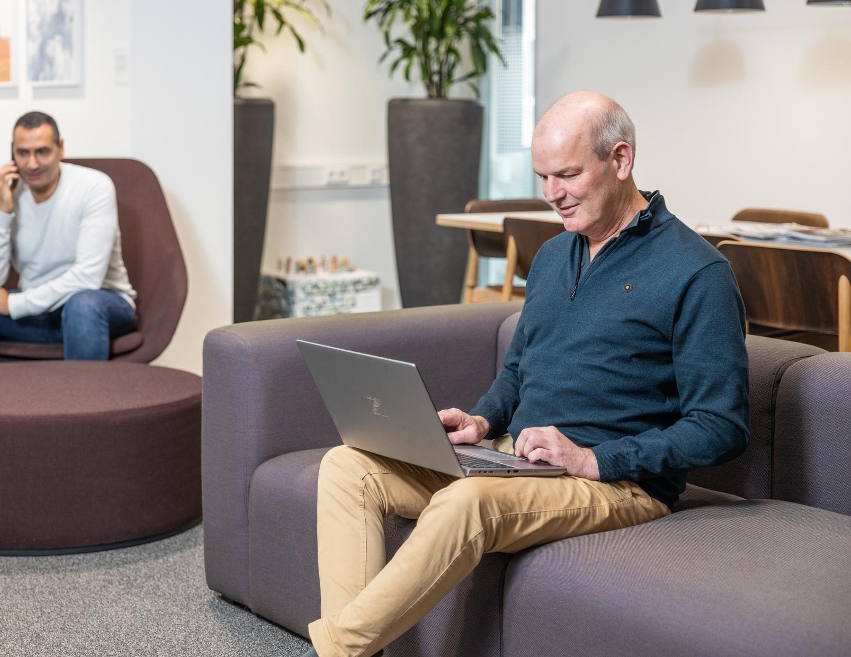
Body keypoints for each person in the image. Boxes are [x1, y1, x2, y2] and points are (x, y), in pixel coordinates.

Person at [301, 91, 750, 657]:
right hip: (516, 459)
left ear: (621, 159)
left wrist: (592, 459)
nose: (552, 194)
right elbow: (519, 368)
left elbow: (721, 426)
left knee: (466, 503)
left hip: (617, 484)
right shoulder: (554, 255)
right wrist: (483, 420)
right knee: (348, 467)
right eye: (543, 177)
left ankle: (334, 649)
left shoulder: (697, 272)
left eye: (568, 175)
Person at [0, 111, 137, 367]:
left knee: (82, 305)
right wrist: (2, 213)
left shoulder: (94, 187)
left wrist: (13, 303)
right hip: (38, 310)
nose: (32, 164)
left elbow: (88, 278)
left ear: (61, 148)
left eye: (42, 152)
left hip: (100, 304)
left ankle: (82, 395)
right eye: (23, 153)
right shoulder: (2, 194)